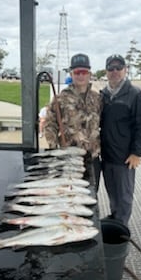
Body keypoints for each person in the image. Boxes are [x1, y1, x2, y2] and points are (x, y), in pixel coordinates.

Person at [100, 54, 141, 226]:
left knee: (124, 195)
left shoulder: (136, 95)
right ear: (106, 71)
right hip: (107, 155)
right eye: (111, 68)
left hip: (125, 157)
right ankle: (115, 217)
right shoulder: (103, 95)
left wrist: (136, 153)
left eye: (118, 68)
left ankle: (121, 226)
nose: (115, 71)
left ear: (125, 70)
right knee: (112, 191)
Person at [45, 53, 101, 186]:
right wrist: (54, 149)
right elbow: (50, 125)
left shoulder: (98, 98)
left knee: (91, 196)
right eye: (77, 72)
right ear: (71, 74)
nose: (80, 76)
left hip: (92, 158)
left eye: (84, 72)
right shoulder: (60, 99)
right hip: (69, 158)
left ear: (89, 74)